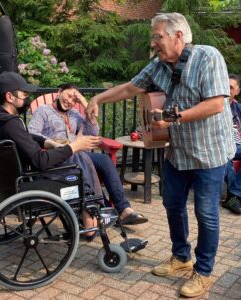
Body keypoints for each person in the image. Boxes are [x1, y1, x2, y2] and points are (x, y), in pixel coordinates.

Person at [85, 12, 235, 298]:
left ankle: (203, 272)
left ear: (178, 36)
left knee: (206, 214)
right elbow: (131, 88)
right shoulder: (158, 67)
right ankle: (181, 257)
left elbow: (216, 104)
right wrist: (98, 98)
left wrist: (173, 117)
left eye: (158, 36)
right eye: (153, 36)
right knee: (172, 204)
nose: (153, 42)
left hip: (210, 155)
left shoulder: (208, 56)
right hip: (179, 153)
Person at [0, 71, 103, 240]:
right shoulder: (11, 123)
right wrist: (74, 147)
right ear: (10, 96)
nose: (26, 97)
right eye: (23, 94)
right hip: (31, 184)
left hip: (7, 185)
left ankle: (91, 210)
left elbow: (24, 137)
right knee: (79, 164)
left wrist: (47, 143)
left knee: (79, 159)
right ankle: (92, 216)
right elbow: (41, 161)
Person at [28, 83, 148, 226]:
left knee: (104, 160)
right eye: (68, 95)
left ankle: (124, 209)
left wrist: (85, 104)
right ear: (59, 92)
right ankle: (99, 210)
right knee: (84, 160)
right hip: (57, 156)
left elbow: (93, 133)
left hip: (78, 153)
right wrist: (53, 143)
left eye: (74, 99)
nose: (70, 101)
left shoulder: (74, 114)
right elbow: (33, 133)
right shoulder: (43, 110)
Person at [222, 74, 241, 214]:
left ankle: (234, 194)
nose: (227, 90)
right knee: (225, 156)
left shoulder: (239, 108)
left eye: (230, 87)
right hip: (221, 145)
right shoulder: (214, 106)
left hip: (238, 145)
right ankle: (234, 197)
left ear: (237, 91)